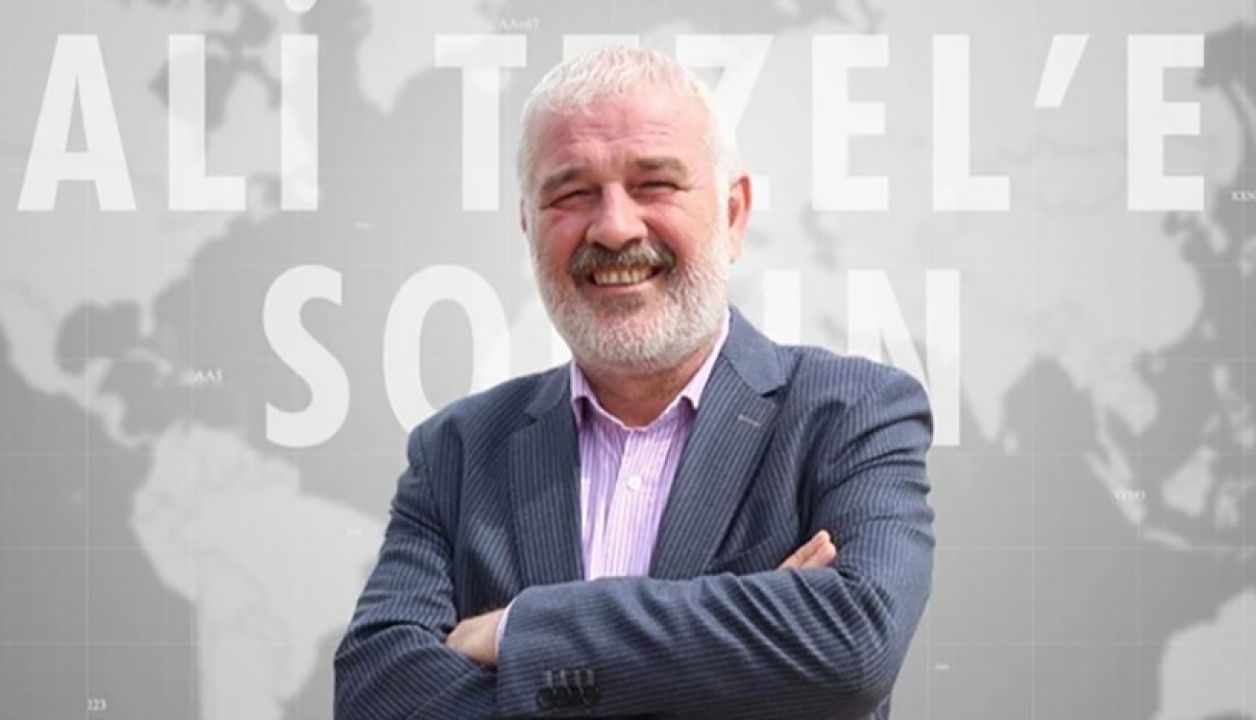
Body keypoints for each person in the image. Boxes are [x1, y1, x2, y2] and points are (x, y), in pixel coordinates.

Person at [334, 46, 934, 719]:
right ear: (528, 224)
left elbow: (853, 645)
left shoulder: (853, 415)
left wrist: (520, 633)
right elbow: (375, 695)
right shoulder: (456, 452)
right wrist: (741, 655)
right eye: (571, 194)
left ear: (733, 213)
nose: (615, 227)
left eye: (654, 184)